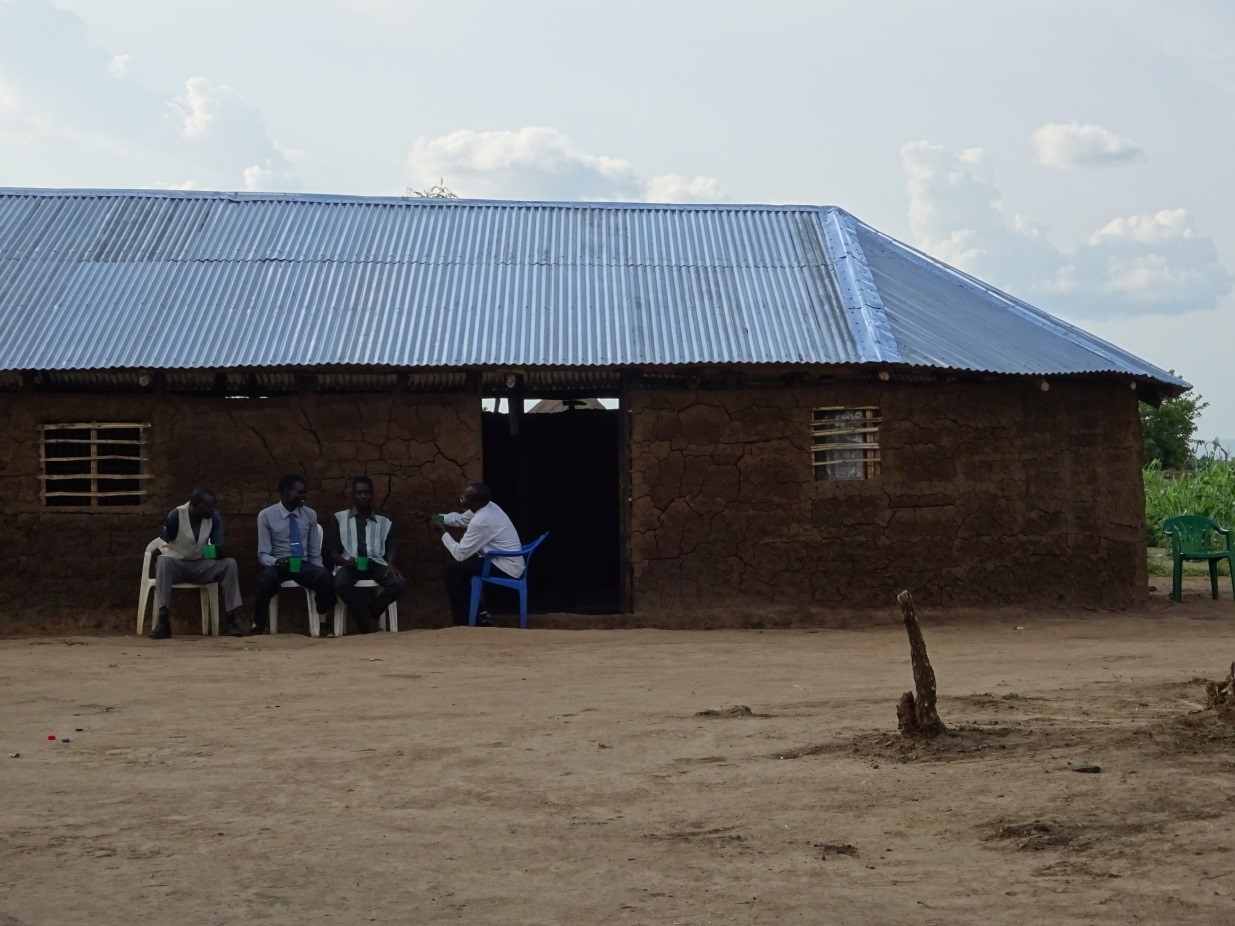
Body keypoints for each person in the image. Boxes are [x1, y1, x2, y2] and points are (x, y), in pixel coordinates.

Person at [421, 483, 523, 627]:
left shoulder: (481, 521)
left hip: (505, 566)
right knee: (456, 569)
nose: (460, 497)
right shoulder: (487, 506)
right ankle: (480, 615)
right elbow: (461, 520)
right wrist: (433, 517)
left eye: (464, 497)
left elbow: (460, 554)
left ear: (475, 503)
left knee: (451, 569)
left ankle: (465, 621)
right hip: (500, 558)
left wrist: (443, 532)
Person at [149, 487, 244, 639]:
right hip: (177, 564)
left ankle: (230, 621)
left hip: (201, 566)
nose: (211, 510)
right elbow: (164, 541)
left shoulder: (214, 518)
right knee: (163, 562)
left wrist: (216, 551)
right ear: (193, 505)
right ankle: (163, 621)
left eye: (213, 506)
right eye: (207, 507)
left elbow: (216, 546)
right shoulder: (176, 515)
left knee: (230, 564)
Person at [252, 474, 335, 636]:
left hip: (301, 564)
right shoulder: (266, 516)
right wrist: (276, 562)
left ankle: (323, 621)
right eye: (299, 492)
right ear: (285, 492)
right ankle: (257, 625)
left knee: (325, 576)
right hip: (278, 564)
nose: (304, 496)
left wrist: (319, 572)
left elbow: (314, 552)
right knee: (265, 578)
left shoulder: (310, 514)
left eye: (304, 492)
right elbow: (263, 554)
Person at [324, 476, 406, 634]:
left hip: (376, 563)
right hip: (351, 564)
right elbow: (332, 549)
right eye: (359, 493)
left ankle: (367, 614)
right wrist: (344, 562)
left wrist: (390, 562)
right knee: (340, 584)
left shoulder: (385, 520)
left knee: (398, 584)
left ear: (372, 494)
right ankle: (366, 617)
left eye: (367, 493)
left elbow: (392, 543)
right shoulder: (339, 518)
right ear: (353, 495)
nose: (363, 496)